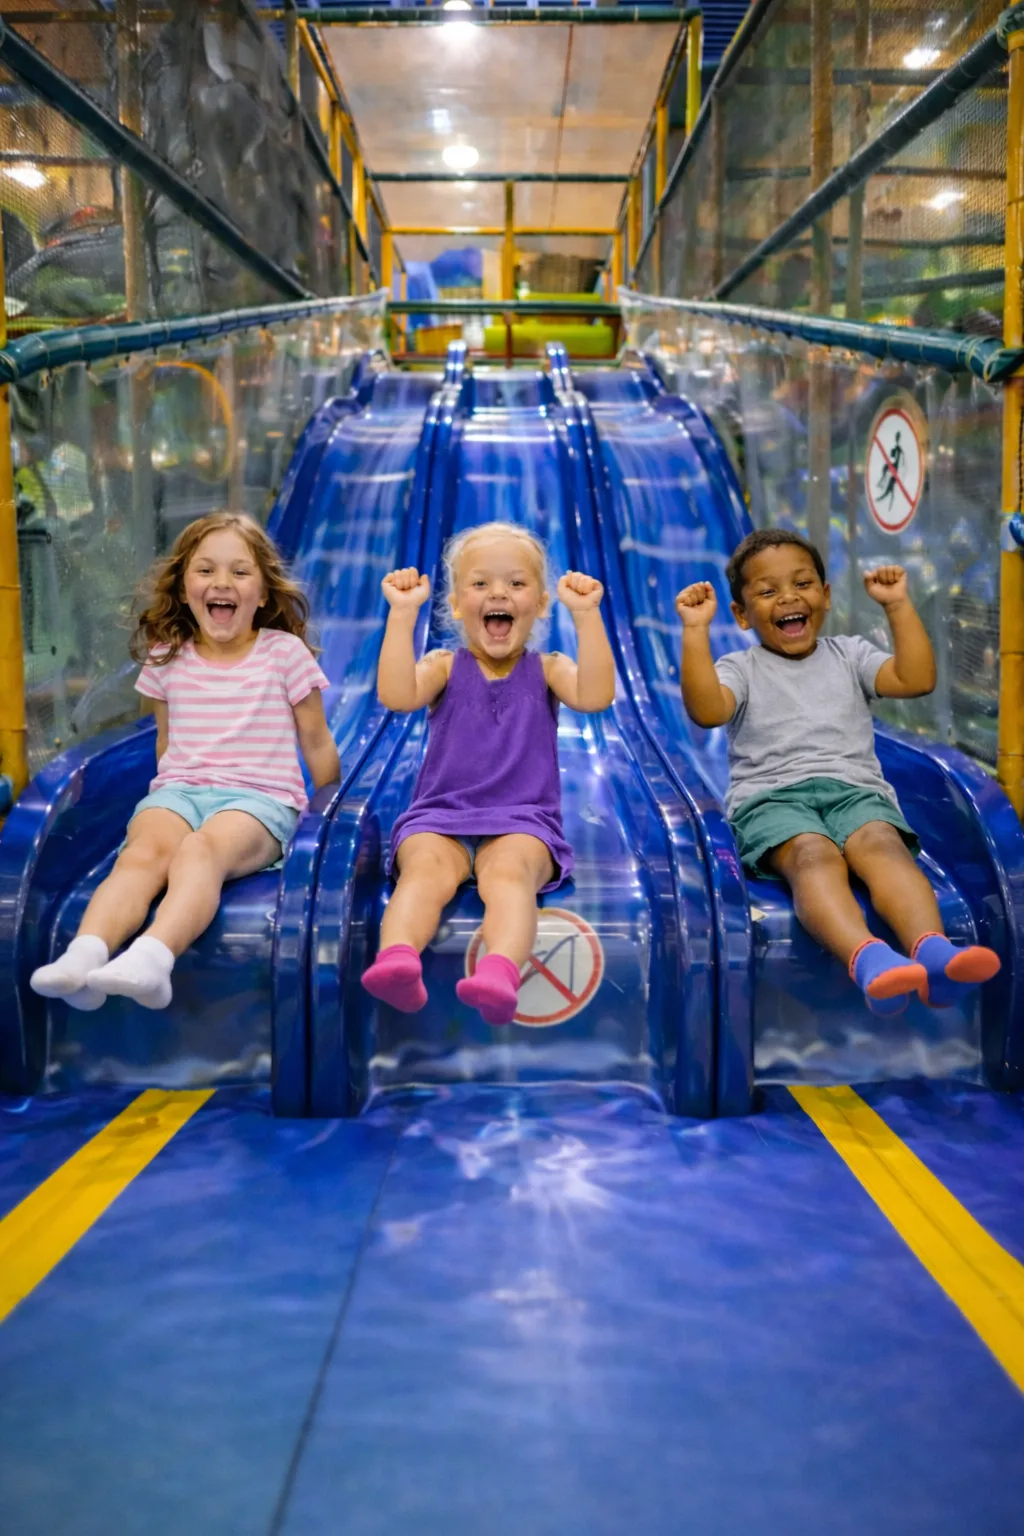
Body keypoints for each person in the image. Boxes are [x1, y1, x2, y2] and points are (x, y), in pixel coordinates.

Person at [676, 527, 1000, 1013]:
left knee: (883, 846)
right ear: (742, 615)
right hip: (773, 800)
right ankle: (869, 960)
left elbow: (915, 679)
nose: (789, 597)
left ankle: (933, 954)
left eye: (802, 583)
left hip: (855, 792)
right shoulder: (741, 667)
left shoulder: (850, 654)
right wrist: (695, 632)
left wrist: (897, 605)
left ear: (825, 596)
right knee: (814, 856)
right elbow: (707, 710)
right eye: (767, 591)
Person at [30, 512, 339, 1012]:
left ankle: (153, 957)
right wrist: (165, 801)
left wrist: (328, 809)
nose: (222, 582)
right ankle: (83, 958)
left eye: (240, 572)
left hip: (259, 801)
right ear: (182, 588)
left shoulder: (284, 653)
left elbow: (317, 740)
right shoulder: (167, 656)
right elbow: (166, 743)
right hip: (180, 792)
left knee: (200, 850)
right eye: (206, 570)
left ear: (263, 594)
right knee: (142, 854)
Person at [361, 520, 615, 1027]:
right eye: (480, 583)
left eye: (516, 583)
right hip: (440, 815)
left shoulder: (547, 668)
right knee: (423, 870)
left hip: (523, 820)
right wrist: (402, 615)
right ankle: (398, 961)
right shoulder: (443, 666)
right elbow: (396, 694)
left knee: (509, 876)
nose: (498, 593)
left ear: (541, 604)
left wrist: (587, 617)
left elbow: (596, 695)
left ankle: (499, 973)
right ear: (457, 604)